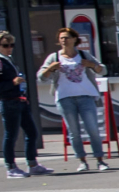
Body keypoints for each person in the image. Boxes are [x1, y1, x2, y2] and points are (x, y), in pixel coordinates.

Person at [40, 28, 109, 172]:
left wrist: (92, 65)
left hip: (85, 96)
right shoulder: (54, 57)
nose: (63, 40)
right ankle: (82, 161)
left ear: (74, 39)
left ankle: (100, 160)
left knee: (93, 129)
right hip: (65, 98)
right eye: (61, 38)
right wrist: (50, 69)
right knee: (74, 131)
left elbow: (103, 70)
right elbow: (41, 77)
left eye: (66, 37)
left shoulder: (83, 55)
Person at [0, 33, 47, 178]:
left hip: (19, 100)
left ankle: (32, 164)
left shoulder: (8, 60)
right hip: (8, 102)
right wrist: (12, 83)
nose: (9, 48)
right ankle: (11, 168)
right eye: (5, 45)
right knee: (11, 136)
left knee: (31, 133)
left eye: (11, 45)